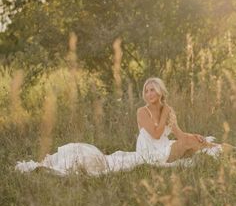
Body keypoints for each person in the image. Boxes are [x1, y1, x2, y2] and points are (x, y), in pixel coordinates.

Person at [15, 77, 229, 176]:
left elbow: (179, 133)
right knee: (187, 144)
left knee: (192, 140)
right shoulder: (142, 112)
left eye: (153, 90)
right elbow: (155, 134)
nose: (149, 94)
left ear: (161, 92)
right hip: (150, 151)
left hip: (165, 147)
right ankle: (219, 151)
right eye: (147, 91)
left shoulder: (168, 109)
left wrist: (194, 135)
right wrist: (166, 116)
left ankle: (222, 149)